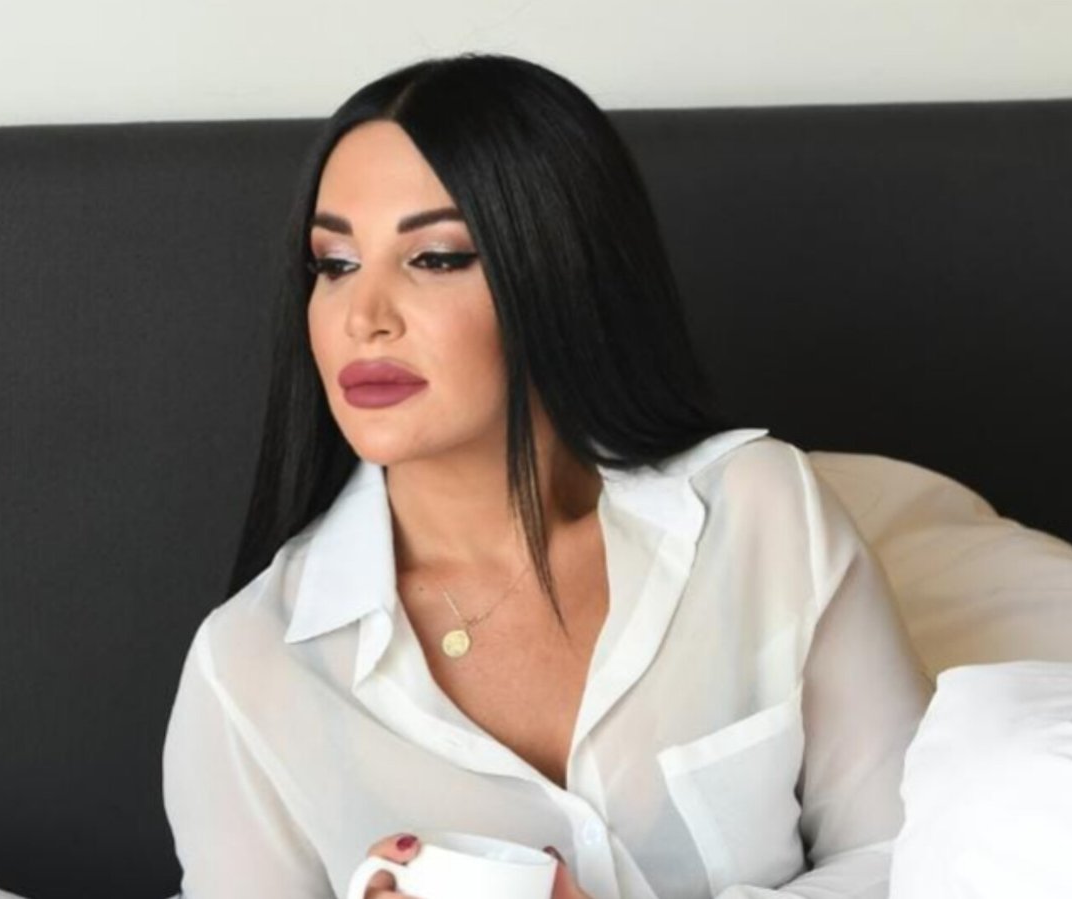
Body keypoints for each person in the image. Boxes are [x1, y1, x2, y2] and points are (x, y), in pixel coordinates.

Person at [161, 53, 934, 899]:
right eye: (335, 263)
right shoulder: (251, 668)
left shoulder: (761, 514)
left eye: (436, 257)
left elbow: (919, 857)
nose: (363, 317)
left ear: (559, 269)